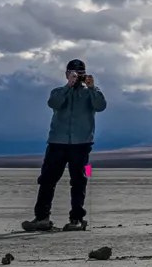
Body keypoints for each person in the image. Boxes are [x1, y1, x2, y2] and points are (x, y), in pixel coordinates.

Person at [23, 58, 105, 232]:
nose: (77, 77)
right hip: (57, 143)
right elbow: (54, 103)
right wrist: (69, 85)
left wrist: (92, 88)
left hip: (82, 145)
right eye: (73, 73)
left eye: (80, 74)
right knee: (46, 180)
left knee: (79, 181)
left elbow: (100, 106)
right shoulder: (59, 91)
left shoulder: (90, 93)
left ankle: (77, 219)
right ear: (66, 74)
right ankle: (42, 218)